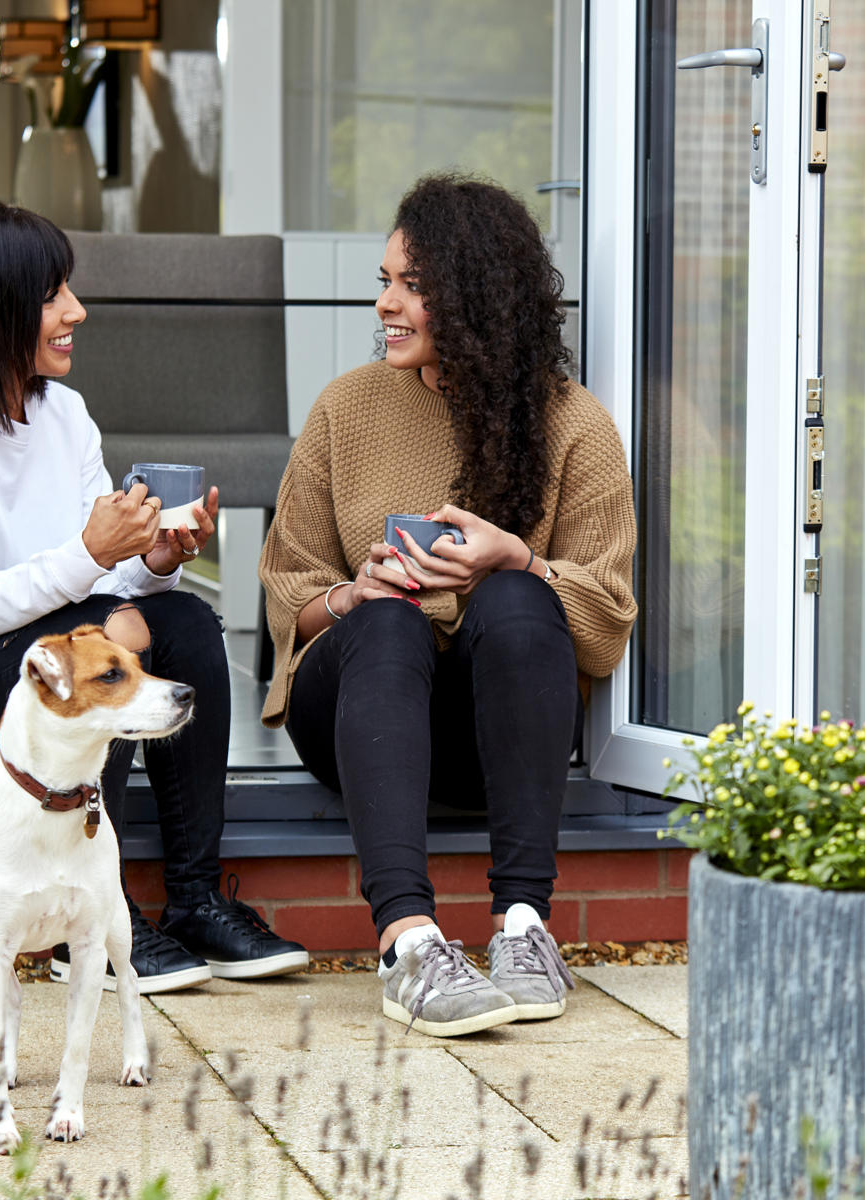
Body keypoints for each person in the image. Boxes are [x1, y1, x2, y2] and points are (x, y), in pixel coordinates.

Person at [0, 199, 308, 991]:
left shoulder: (61, 414)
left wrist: (154, 558)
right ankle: (90, 926)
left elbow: (104, 589)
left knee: (183, 619)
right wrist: (91, 557)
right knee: (107, 628)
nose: (76, 312)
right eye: (52, 295)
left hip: (43, 666)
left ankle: (196, 898)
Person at [258, 174, 637, 1037]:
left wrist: (524, 561)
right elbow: (288, 586)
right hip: (360, 716)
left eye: (411, 286)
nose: (386, 303)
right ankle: (409, 942)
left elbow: (608, 614)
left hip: (490, 736)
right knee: (383, 619)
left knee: (514, 597)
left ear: (472, 298)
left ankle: (523, 928)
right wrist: (352, 592)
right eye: (385, 280)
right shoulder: (346, 407)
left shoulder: (573, 425)